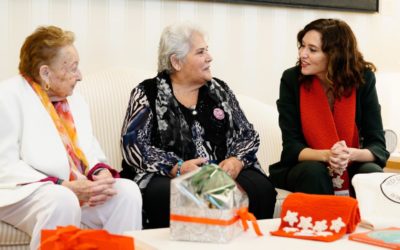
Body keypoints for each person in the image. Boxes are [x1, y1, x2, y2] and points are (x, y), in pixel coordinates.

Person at [120, 23, 277, 228]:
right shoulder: (147, 92)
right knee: (168, 194)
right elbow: (133, 145)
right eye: (201, 52)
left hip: (223, 168)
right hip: (169, 175)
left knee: (261, 187)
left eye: (207, 50)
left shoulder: (219, 90)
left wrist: (235, 161)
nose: (209, 57)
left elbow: (246, 133)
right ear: (176, 61)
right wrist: (176, 167)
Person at [0, 26, 142, 249]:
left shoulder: (74, 100)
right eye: (73, 68)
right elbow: (4, 166)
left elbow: (90, 151)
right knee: (62, 200)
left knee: (126, 193)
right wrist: (62, 184)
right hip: (20, 192)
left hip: (72, 187)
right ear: (45, 72)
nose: (80, 76)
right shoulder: (7, 96)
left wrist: (100, 172)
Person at [269, 18, 389, 196]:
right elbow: (292, 148)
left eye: (312, 50)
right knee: (314, 172)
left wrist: (349, 155)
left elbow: (377, 145)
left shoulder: (363, 79)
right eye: (302, 46)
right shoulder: (291, 79)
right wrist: (328, 156)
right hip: (305, 167)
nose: (303, 54)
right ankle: (323, 224)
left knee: (370, 172)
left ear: (335, 55)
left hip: (352, 161)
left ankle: (365, 224)